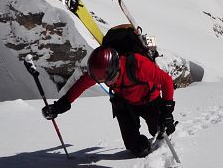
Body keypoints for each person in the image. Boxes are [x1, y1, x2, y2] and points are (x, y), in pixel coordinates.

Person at [41, 33, 176, 157]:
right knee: (135, 147)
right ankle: (141, 145)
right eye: (104, 81)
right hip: (125, 104)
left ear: (116, 66)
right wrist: (60, 105)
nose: (109, 82)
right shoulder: (100, 71)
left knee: (161, 132)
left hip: (149, 100)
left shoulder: (138, 65)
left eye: (110, 79)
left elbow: (166, 81)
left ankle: (163, 128)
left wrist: (167, 111)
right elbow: (81, 84)